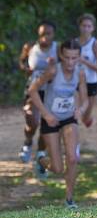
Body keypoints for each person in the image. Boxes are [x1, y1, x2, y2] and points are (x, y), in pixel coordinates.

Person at [28, 39, 89, 209]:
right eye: (67, 58)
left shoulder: (80, 73)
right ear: (61, 55)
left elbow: (84, 100)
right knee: (57, 168)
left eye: (74, 58)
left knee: (72, 157)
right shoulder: (53, 71)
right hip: (51, 119)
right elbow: (32, 90)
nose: (70, 62)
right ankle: (41, 161)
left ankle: (69, 200)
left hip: (69, 118)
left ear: (79, 57)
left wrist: (81, 110)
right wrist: (46, 114)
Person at [18, 21, 57, 164]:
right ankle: (28, 142)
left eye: (48, 34)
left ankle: (41, 153)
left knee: (46, 124)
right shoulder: (30, 47)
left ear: (53, 34)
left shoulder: (58, 49)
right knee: (32, 121)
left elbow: (68, 65)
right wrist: (26, 69)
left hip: (51, 91)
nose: (45, 37)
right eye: (42, 34)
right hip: (33, 90)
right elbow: (22, 62)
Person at [76, 14, 97, 127]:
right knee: (75, 113)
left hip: (90, 82)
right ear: (79, 27)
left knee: (85, 117)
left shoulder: (96, 45)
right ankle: (74, 141)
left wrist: (84, 61)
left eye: (89, 26)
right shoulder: (73, 43)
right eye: (84, 26)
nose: (86, 29)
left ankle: (88, 119)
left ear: (93, 28)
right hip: (75, 82)